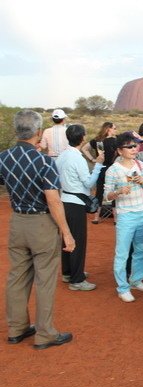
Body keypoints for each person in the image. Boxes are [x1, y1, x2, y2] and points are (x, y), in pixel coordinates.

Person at [0, 109, 75, 350]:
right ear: (39, 133)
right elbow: (53, 200)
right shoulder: (44, 161)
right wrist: (66, 232)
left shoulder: (3, 158)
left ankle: (16, 328)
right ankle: (45, 334)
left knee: (17, 277)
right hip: (42, 224)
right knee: (44, 280)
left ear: (16, 131)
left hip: (17, 222)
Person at [104, 132, 143, 303]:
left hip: (142, 214)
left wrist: (142, 181)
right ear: (119, 150)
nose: (134, 149)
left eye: (136, 146)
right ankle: (122, 288)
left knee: (140, 250)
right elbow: (105, 197)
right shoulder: (113, 170)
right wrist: (117, 192)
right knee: (122, 253)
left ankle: (136, 280)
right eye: (130, 146)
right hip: (125, 216)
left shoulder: (139, 164)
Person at [55, 124, 104, 291]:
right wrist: (98, 165)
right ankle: (77, 279)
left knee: (67, 237)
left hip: (63, 200)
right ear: (82, 138)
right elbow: (89, 183)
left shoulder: (62, 156)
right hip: (76, 203)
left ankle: (68, 272)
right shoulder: (77, 158)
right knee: (77, 241)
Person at [81, 122, 118, 224]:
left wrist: (93, 159)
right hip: (112, 169)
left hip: (101, 168)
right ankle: (116, 219)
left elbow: (84, 148)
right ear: (108, 129)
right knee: (113, 192)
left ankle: (96, 218)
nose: (116, 130)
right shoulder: (115, 141)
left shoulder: (98, 141)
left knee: (99, 192)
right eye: (114, 128)